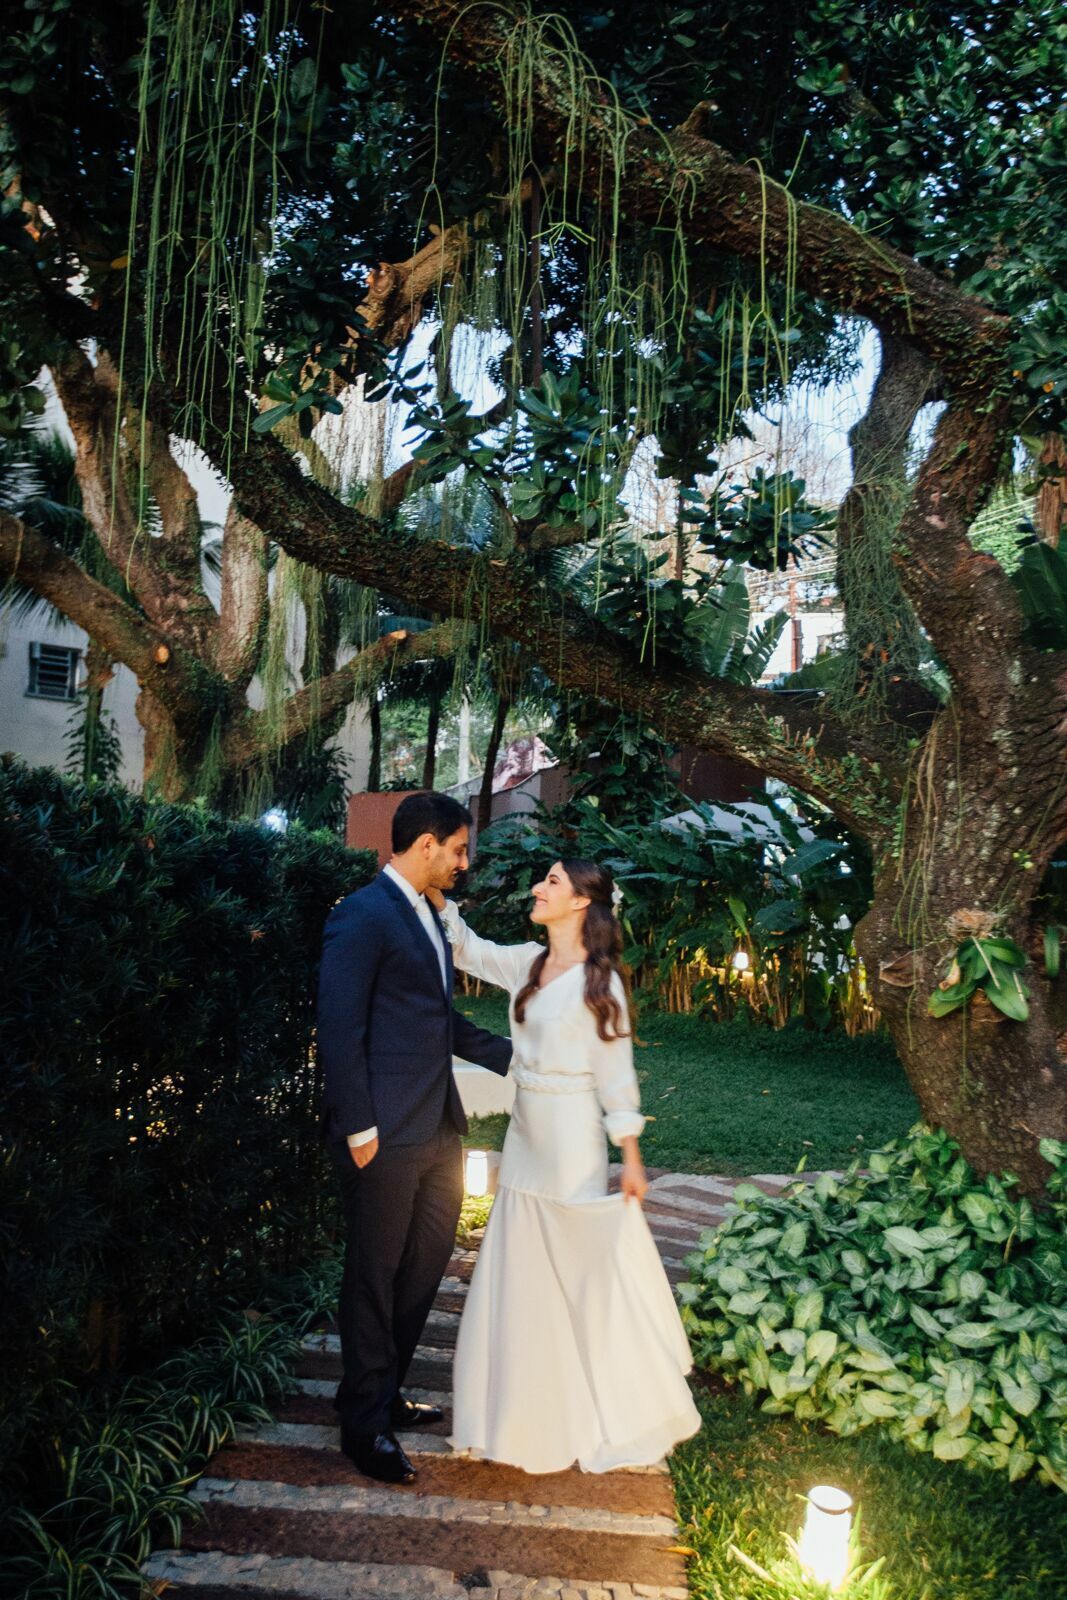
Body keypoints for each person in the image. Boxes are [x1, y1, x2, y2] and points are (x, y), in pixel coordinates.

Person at [427, 858, 701, 1475]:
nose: (537, 888)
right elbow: (469, 951)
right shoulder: (528, 961)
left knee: (577, 1270)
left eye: (551, 881)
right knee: (522, 1266)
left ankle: (605, 1399)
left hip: (574, 1138)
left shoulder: (601, 984)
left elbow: (616, 1076)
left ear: (581, 902)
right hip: (526, 1134)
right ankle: (515, 1413)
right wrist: (439, 900)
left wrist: (629, 1156)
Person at [317, 792, 512, 1485]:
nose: (464, 862)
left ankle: (380, 1391)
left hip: (439, 1129)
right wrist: (359, 1128)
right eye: (459, 849)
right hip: (384, 1134)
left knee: (423, 1268)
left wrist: (518, 1058)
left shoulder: (429, 916)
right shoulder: (361, 914)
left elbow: (436, 1019)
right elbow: (339, 1027)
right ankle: (362, 1428)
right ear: (425, 844)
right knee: (373, 1277)